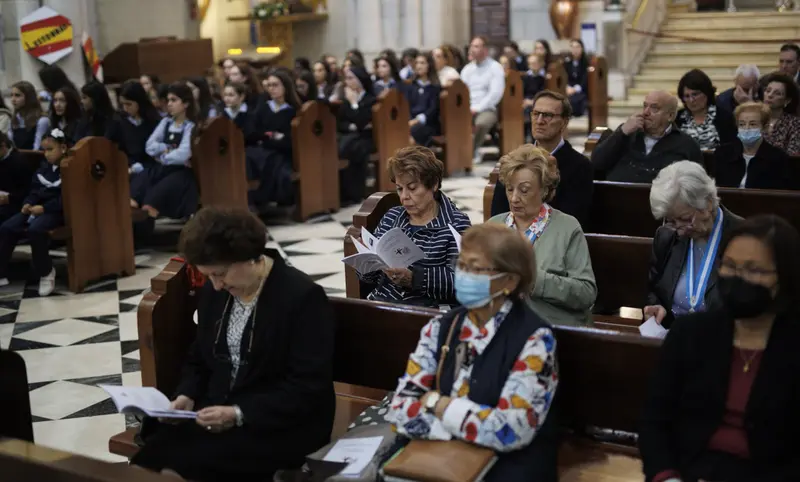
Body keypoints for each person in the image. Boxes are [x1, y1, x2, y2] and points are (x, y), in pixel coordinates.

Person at [131, 207, 335, 482]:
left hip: (281, 423)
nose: (216, 285)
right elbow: (200, 357)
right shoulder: (217, 292)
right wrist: (187, 394)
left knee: (183, 467)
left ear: (249, 257)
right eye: (209, 276)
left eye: (220, 274)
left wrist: (239, 413)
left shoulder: (302, 297)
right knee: (148, 460)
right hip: (219, 411)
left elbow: (308, 386)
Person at [387, 223, 559, 481]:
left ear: (510, 280)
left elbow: (510, 430)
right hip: (437, 459)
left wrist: (437, 404)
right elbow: (400, 408)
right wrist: (463, 428)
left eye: (476, 269)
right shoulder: (441, 327)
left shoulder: (535, 339)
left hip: (507, 465)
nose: (464, 275)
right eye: (461, 265)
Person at [640, 214, 800, 482]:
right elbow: (655, 419)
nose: (738, 278)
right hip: (688, 472)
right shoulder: (690, 333)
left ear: (783, 278)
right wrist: (666, 477)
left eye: (754, 270)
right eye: (730, 266)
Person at [488, 145, 596, 325]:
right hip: (501, 325)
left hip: (552, 327)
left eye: (524, 190)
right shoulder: (493, 226)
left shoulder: (567, 227)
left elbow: (586, 293)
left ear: (544, 190)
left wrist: (534, 280)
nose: (514, 198)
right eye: (509, 189)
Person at [357, 146, 471, 307]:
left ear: (434, 184)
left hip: (428, 310)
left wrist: (414, 279)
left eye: (412, 188)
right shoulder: (392, 216)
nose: (404, 197)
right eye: (399, 189)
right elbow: (369, 280)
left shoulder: (457, 224)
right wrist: (365, 261)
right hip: (384, 304)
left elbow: (461, 282)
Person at [644, 161, 743, 329]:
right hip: (672, 333)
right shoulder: (666, 236)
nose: (679, 231)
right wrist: (656, 307)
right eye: (671, 221)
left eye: (684, 219)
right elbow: (655, 290)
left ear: (707, 204)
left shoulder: (744, 238)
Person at [492, 91, 594, 228]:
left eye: (548, 115)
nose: (539, 121)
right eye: (536, 114)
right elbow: (498, 214)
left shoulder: (580, 166)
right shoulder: (513, 160)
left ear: (564, 122)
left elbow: (572, 220)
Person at [0, 128, 68, 294]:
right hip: (36, 208)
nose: (46, 154)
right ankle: (1, 272)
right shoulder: (44, 167)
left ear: (63, 148)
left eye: (50, 149)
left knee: (35, 230)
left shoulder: (69, 168)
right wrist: (28, 203)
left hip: (55, 211)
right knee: (8, 227)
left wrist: (44, 208)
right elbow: (34, 190)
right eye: (44, 150)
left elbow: (66, 197)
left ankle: (46, 271)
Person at [591, 90, 703, 183]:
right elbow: (597, 163)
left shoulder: (686, 145)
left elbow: (698, 186)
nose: (645, 112)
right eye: (645, 106)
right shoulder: (627, 133)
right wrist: (622, 131)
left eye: (654, 108)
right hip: (616, 198)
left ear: (670, 116)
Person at [133, 83, 198, 228]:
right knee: (140, 181)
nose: (169, 104)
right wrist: (165, 148)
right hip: (162, 168)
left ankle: (147, 222)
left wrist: (162, 157)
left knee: (155, 196)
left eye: (174, 100)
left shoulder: (190, 126)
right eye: (168, 100)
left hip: (181, 172)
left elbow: (183, 154)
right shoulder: (166, 122)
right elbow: (149, 146)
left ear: (186, 103)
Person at [715, 102, 798, 190]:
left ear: (765, 127)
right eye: (742, 124)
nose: (746, 129)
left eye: (753, 124)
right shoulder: (723, 153)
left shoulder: (778, 158)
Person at [250, 70, 300, 207]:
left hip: (283, 153)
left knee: (275, 163)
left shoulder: (293, 110)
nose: (271, 88)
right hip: (262, 150)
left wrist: (270, 138)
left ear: (285, 87)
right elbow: (256, 131)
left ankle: (264, 200)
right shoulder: (263, 107)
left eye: (275, 85)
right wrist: (272, 137)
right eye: (269, 85)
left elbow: (289, 139)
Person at [461, 36, 506, 164]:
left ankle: (472, 151)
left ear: (485, 49)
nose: (472, 49)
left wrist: (478, 108)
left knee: (481, 123)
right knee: (453, 121)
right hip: (467, 108)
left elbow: (495, 93)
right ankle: (457, 153)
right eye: (471, 46)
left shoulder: (495, 67)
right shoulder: (467, 69)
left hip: (487, 108)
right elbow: (461, 90)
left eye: (476, 46)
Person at [336, 66, 376, 205]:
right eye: (346, 78)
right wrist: (352, 126)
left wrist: (354, 104)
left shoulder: (370, 99)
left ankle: (354, 194)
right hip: (350, 137)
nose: (347, 82)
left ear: (360, 80)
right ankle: (341, 194)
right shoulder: (345, 100)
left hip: (367, 139)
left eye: (350, 78)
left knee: (355, 150)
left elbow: (362, 121)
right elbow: (340, 123)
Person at [106, 81, 162, 175]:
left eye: (129, 104)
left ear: (139, 102)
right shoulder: (118, 121)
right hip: (126, 169)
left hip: (151, 168)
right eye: (123, 104)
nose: (125, 108)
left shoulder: (153, 121)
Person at [675, 69, 737, 150]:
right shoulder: (677, 119)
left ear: (707, 93)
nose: (691, 100)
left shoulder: (724, 117)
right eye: (687, 96)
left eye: (695, 94)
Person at [401, 51, 441, 147]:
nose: (418, 66)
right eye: (417, 63)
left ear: (429, 66)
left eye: (422, 63)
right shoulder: (410, 86)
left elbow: (433, 109)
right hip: (411, 122)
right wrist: (409, 120)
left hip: (428, 124)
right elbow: (406, 106)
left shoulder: (435, 87)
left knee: (413, 131)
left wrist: (417, 120)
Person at [760, 72, 800, 156]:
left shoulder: (794, 123)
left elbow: (792, 155)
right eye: (768, 91)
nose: (770, 95)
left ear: (787, 100)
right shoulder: (754, 118)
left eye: (777, 93)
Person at [0, 132, 35, 226]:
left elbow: (28, 190)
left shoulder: (19, 161)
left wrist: (9, 198)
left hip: (16, 204)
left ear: (3, 146)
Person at [8, 81, 50, 150]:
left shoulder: (42, 120)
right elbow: (11, 146)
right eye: (11, 95)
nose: (13, 99)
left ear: (29, 97)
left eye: (17, 95)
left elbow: (37, 149)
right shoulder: (14, 119)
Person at [522, 54, 546, 143]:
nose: (533, 65)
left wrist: (532, 102)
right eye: (530, 63)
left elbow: (543, 93)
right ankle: (525, 136)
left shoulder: (543, 78)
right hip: (526, 101)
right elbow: (522, 92)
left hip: (538, 101)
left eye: (535, 63)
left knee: (531, 112)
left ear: (540, 64)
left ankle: (533, 138)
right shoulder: (525, 78)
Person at [563, 39, 588, 117]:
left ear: (582, 48)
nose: (575, 50)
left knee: (577, 100)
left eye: (577, 47)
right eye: (573, 47)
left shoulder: (587, 63)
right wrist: (567, 87)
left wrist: (575, 89)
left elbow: (585, 79)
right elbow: (564, 77)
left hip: (581, 90)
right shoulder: (566, 62)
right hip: (568, 90)